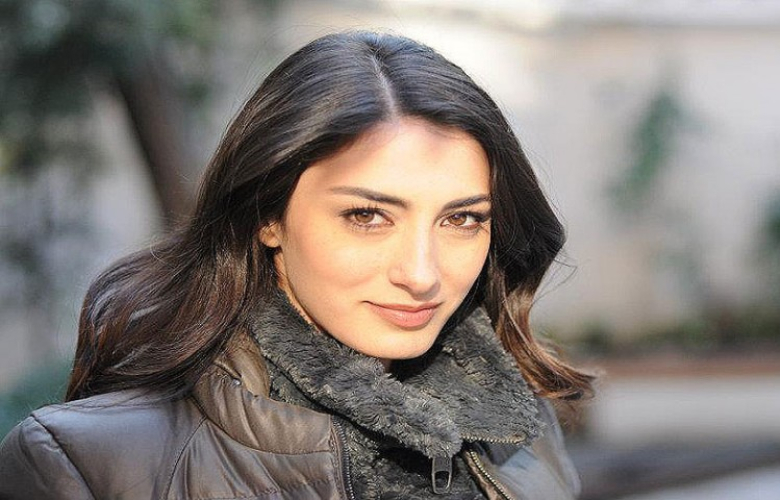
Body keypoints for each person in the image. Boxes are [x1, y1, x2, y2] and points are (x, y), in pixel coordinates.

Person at [0, 31, 593, 499]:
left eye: (461, 219)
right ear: (268, 215)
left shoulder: (521, 428)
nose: (421, 274)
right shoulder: (88, 465)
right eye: (367, 215)